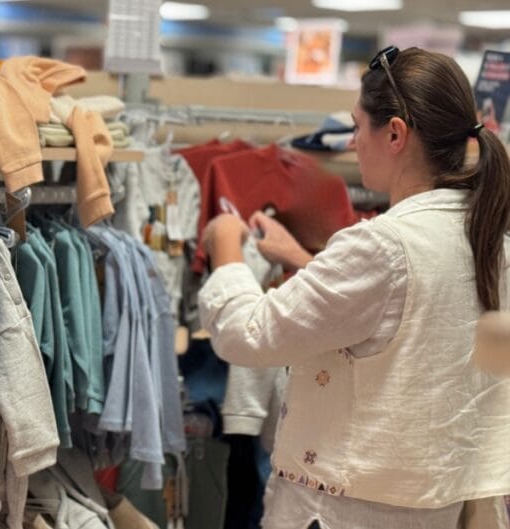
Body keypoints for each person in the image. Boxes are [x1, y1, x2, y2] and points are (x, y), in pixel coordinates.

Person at [199, 46, 510, 529]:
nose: (350, 143)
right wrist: (305, 262)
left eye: (357, 125)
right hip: (436, 508)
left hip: (342, 511)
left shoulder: (381, 246)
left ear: (394, 133)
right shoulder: (490, 236)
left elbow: (248, 334)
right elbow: (403, 313)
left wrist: (226, 252)